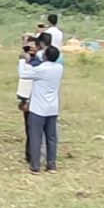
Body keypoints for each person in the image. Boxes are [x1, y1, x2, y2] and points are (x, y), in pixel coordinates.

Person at [20, 44, 64, 173]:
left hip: (38, 108)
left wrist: (23, 60)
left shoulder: (41, 69)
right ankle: (51, 165)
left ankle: (35, 166)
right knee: (51, 137)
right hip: (52, 108)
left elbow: (23, 74)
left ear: (45, 56)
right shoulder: (59, 68)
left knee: (35, 137)